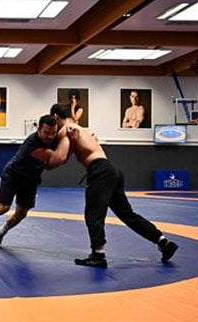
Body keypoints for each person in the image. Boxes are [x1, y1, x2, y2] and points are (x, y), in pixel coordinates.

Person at [50, 103, 178, 267]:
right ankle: (163, 242)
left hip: (100, 171)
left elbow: (60, 156)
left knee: (93, 213)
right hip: (111, 170)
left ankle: (98, 255)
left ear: (55, 117)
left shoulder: (67, 129)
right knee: (127, 214)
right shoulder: (82, 130)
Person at [0, 114, 70, 248]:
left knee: (22, 213)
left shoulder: (53, 138)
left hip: (31, 179)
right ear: (38, 129)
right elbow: (55, 161)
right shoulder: (33, 144)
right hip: (13, 175)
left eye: (53, 133)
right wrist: (69, 141)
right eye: (46, 133)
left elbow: (66, 129)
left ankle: (1, 232)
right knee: (3, 208)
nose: (50, 136)